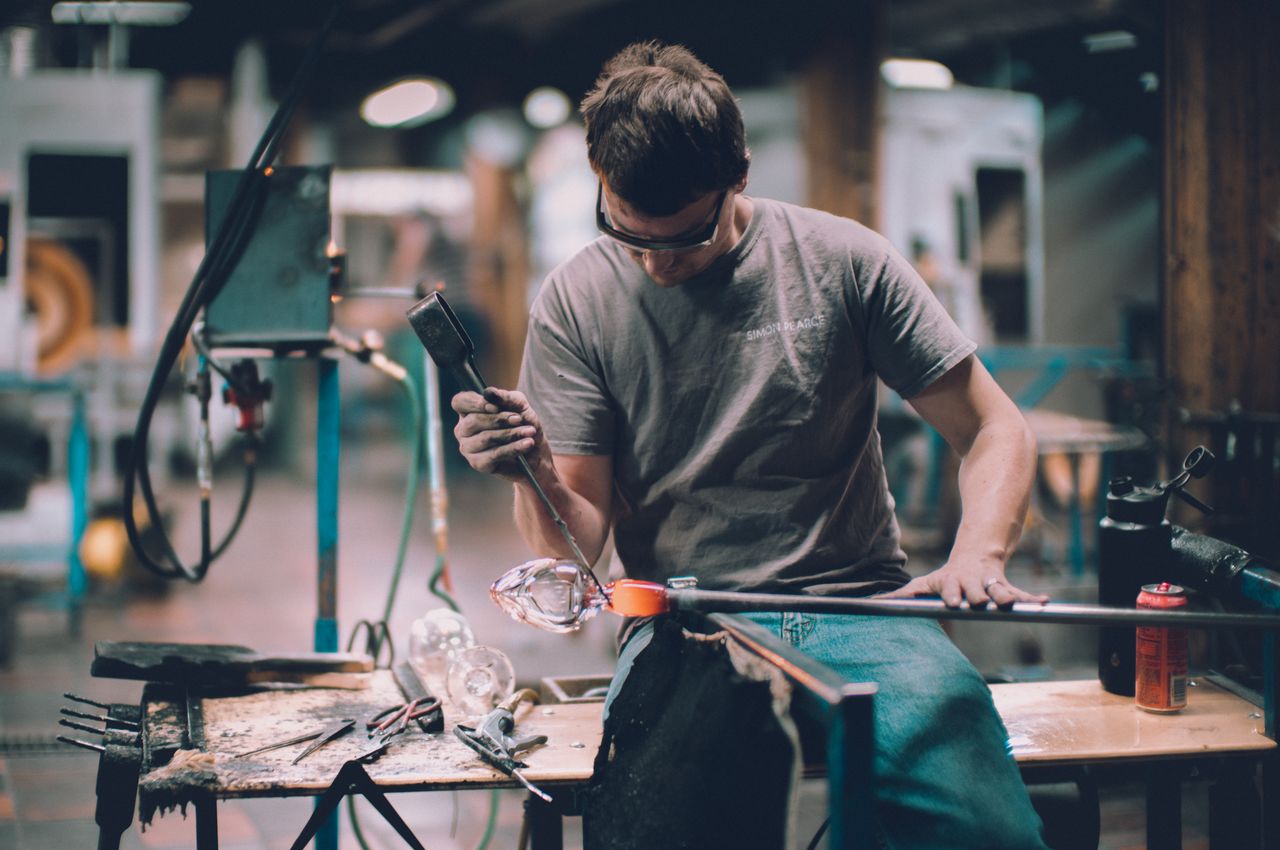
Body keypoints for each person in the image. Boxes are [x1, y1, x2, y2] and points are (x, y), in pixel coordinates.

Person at [452, 41, 1050, 849]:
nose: (656, 264)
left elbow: (992, 426)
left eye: (685, 239)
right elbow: (578, 541)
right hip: (683, 620)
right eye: (628, 234)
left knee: (986, 832)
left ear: (738, 175)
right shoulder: (577, 301)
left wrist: (979, 554)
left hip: (857, 604)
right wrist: (535, 475)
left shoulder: (843, 263)